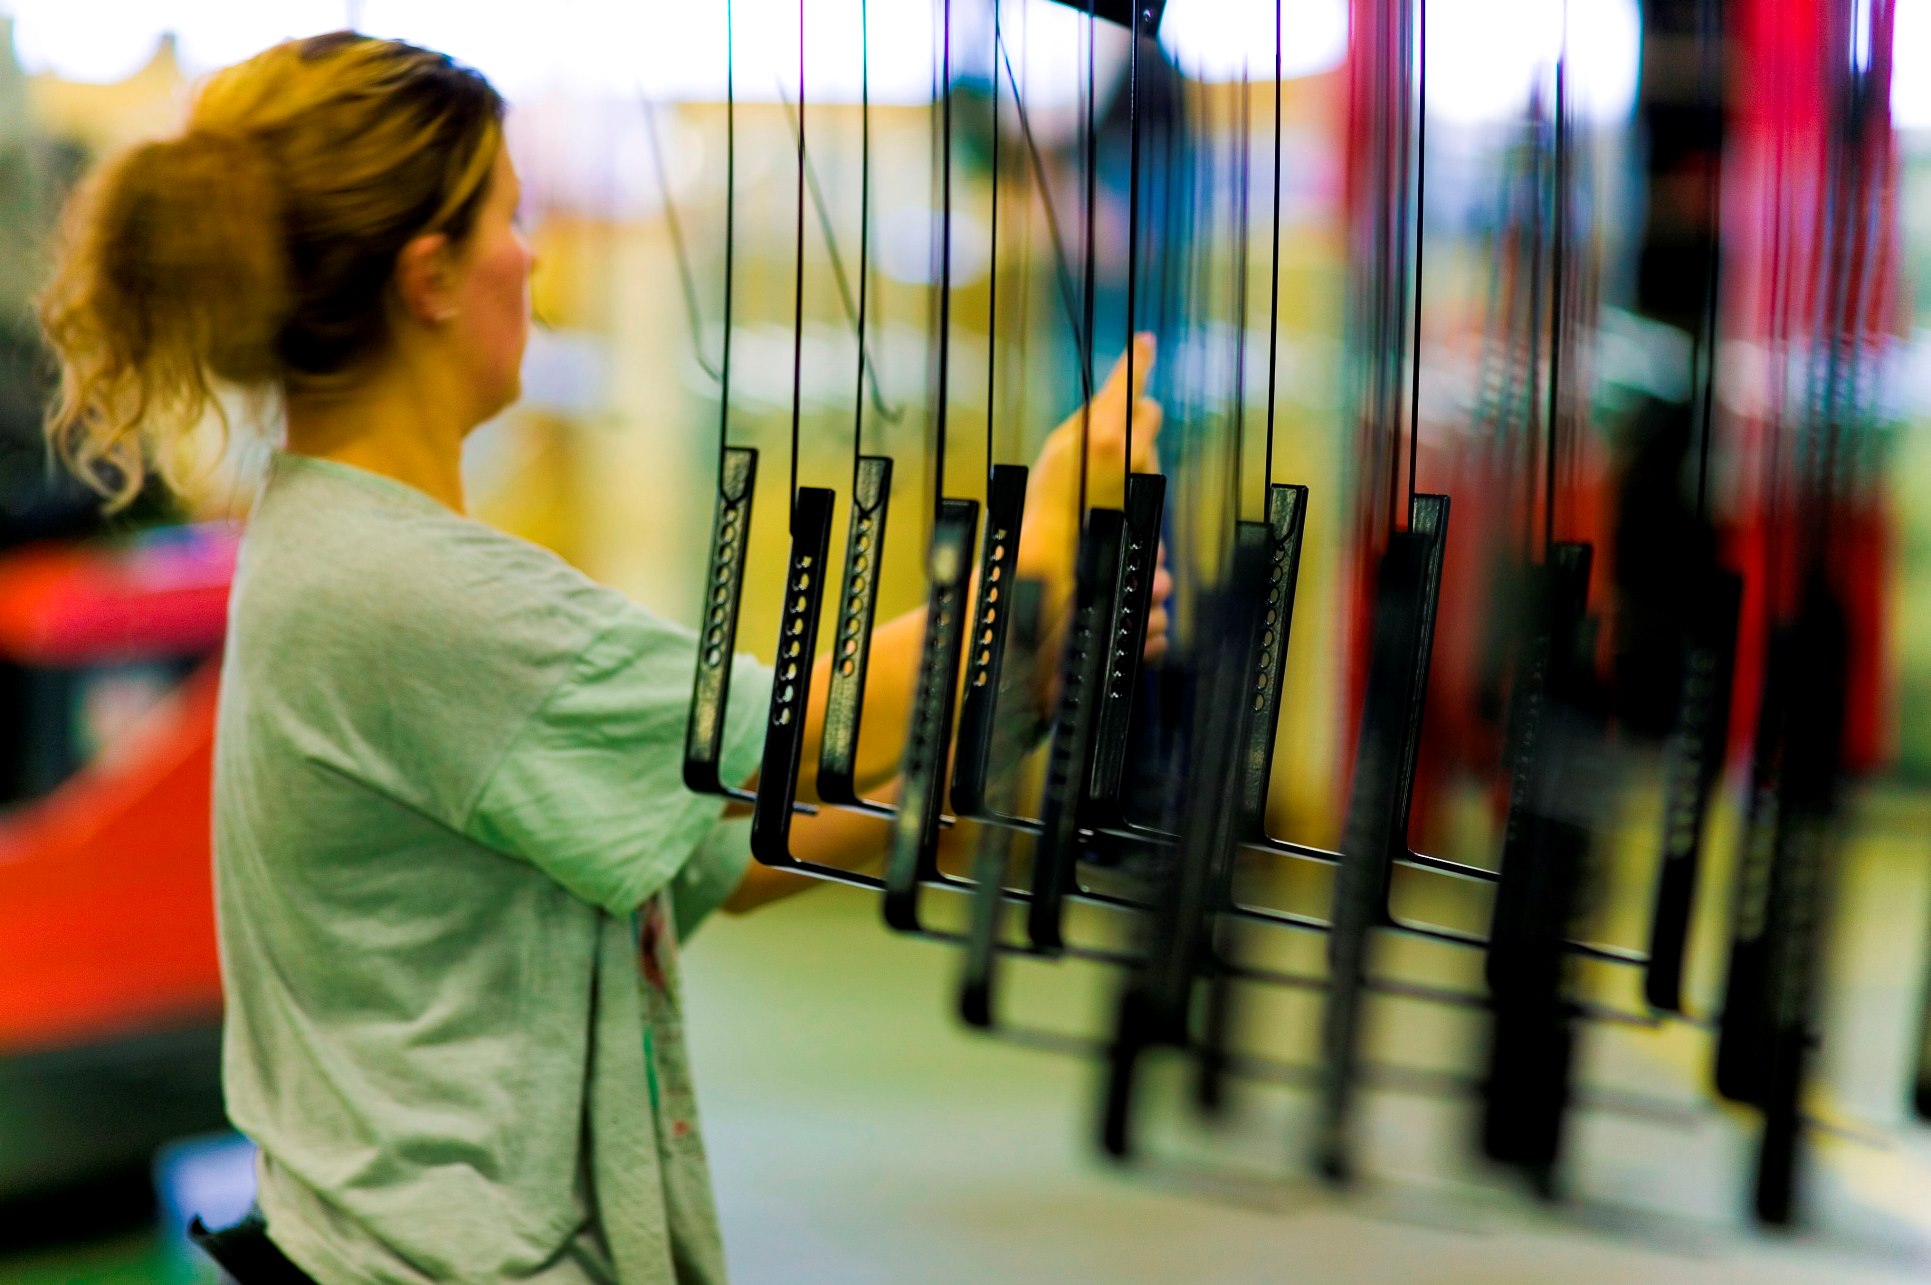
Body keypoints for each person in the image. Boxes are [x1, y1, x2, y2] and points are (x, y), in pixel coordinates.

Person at [37, 31, 1167, 1285]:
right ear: (428, 276)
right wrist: (1048, 538)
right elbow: (804, 730)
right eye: (509, 218)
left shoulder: (344, 546)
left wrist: (1021, 697)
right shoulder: (406, 590)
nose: (534, 252)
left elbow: (726, 851)